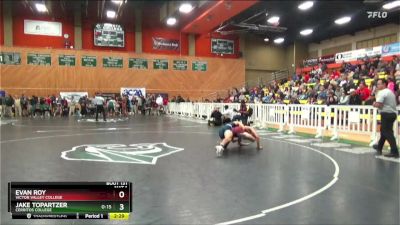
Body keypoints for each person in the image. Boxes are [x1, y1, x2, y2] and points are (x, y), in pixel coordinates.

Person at [372, 79, 399, 158]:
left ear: (384, 84)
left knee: (387, 133)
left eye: (379, 84)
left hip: (386, 114)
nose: (377, 86)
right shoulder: (390, 92)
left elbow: (379, 105)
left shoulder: (382, 92)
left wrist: (374, 103)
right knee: (383, 132)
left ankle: (395, 151)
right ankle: (379, 147)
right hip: (392, 113)